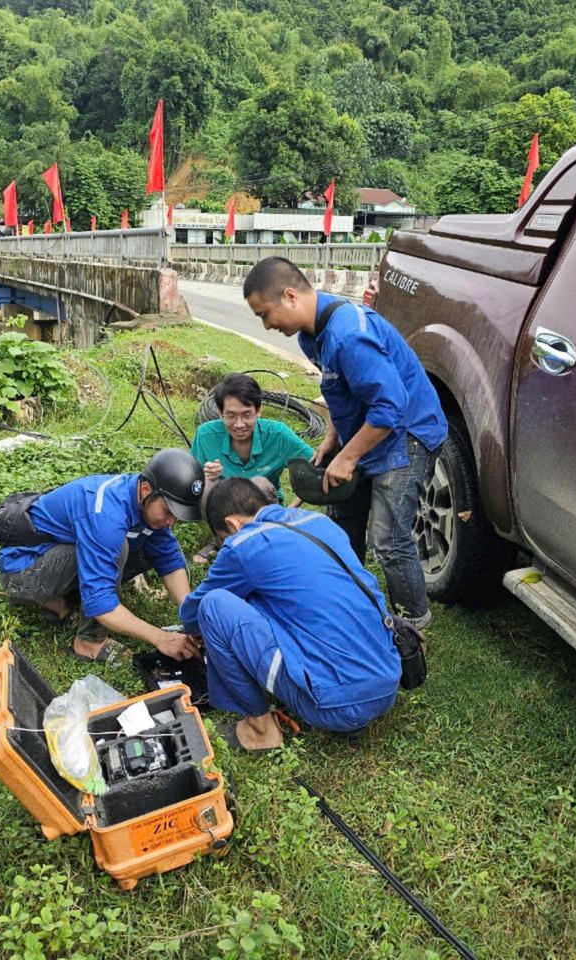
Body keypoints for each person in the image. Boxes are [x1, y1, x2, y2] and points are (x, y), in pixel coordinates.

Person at [242, 256, 448, 631]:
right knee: (342, 519)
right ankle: (353, 605)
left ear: (290, 296)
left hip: (407, 433)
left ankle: (412, 628)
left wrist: (348, 457)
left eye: (265, 314)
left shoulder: (348, 335)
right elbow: (343, 391)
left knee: (388, 538)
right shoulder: (311, 335)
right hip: (370, 429)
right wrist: (333, 439)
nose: (267, 325)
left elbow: (390, 408)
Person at [179, 478, 400, 752]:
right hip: (387, 682)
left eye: (223, 540)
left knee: (213, 605)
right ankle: (346, 698)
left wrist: (190, 629)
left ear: (233, 525)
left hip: (332, 705)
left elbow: (193, 612)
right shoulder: (318, 523)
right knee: (265, 593)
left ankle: (260, 730)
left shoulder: (243, 543)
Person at [0, 448, 204, 664]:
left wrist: (191, 619)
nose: (171, 522)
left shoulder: (142, 501)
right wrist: (160, 638)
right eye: (168, 511)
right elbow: (100, 602)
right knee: (119, 548)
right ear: (145, 489)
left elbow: (169, 560)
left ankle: (64, 600)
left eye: (177, 516)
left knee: (146, 548)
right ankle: (89, 641)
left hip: (54, 556)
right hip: (22, 574)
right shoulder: (106, 514)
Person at [189, 372, 314, 562]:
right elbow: (190, 484)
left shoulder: (278, 434)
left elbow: (315, 467)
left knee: (259, 483)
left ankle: (263, 541)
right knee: (204, 484)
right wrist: (206, 476)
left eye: (246, 415)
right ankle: (221, 542)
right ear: (220, 412)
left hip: (263, 508)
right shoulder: (206, 435)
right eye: (230, 416)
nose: (239, 424)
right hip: (222, 510)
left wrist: (289, 511)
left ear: (258, 411)